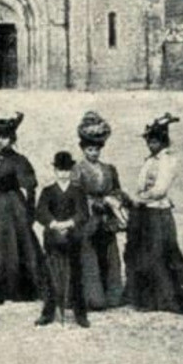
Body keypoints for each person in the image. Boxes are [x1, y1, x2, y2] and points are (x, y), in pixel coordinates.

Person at [125, 114, 183, 314]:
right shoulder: (149, 160)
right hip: (144, 213)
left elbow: (160, 189)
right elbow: (141, 183)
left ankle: (173, 298)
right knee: (145, 253)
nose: (152, 145)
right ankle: (146, 299)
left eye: (155, 141)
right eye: (149, 141)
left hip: (158, 212)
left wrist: (140, 199)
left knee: (162, 252)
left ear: (163, 141)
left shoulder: (169, 161)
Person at [71, 111, 131, 310]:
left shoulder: (108, 169)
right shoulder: (78, 170)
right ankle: (92, 298)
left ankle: (112, 295)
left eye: (96, 149)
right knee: (88, 254)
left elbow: (116, 188)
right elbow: (75, 195)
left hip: (106, 218)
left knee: (109, 253)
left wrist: (117, 199)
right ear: (83, 149)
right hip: (88, 218)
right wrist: (93, 203)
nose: (94, 153)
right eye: (90, 149)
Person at [0, 112, 43, 302]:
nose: (1, 141)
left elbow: (30, 187)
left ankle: (21, 288)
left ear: (12, 138)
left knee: (20, 245)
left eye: (5, 137)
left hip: (14, 206)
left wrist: (30, 213)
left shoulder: (20, 160)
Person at [35, 152, 91, 327]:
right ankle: (48, 313)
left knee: (75, 274)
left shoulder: (78, 191)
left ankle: (80, 314)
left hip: (73, 236)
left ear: (71, 171)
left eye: (67, 170)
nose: (63, 174)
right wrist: (54, 224)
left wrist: (69, 223)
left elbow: (83, 213)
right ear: (55, 170)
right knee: (51, 275)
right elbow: (41, 212)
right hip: (52, 236)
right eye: (60, 169)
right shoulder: (48, 191)